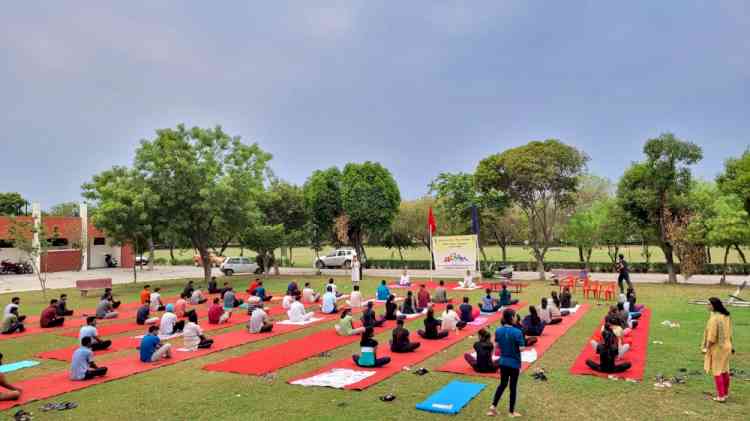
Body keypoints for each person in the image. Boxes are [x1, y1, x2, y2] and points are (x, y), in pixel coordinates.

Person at [487, 308, 524, 417]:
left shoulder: (498, 330)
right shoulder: (517, 332)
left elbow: (496, 346)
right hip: (514, 363)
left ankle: (493, 407)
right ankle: (511, 412)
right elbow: (521, 348)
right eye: (515, 315)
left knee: (502, 384)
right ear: (512, 317)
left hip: (503, 362)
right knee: (513, 387)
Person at [702, 297, 734, 403]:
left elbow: (712, 337)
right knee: (724, 370)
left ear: (713, 305)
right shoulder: (726, 315)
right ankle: (725, 393)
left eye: (708, 304)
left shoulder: (715, 318)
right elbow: (729, 331)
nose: (707, 305)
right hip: (727, 345)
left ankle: (721, 396)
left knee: (717, 371)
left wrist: (706, 347)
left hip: (718, 347)